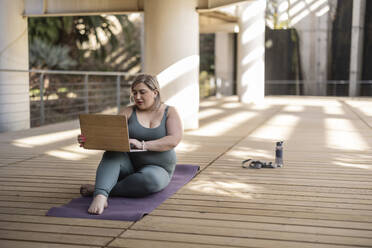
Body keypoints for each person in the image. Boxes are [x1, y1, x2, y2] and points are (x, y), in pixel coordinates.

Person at [77, 74, 183, 215]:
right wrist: (89, 139)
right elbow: (110, 135)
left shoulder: (169, 111)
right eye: (134, 93)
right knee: (112, 152)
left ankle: (99, 189)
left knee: (150, 180)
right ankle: (100, 196)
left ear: (155, 92)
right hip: (129, 166)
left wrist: (142, 145)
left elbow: (173, 140)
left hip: (158, 169)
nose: (137, 97)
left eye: (142, 92)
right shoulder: (128, 111)